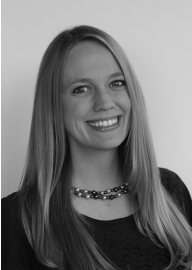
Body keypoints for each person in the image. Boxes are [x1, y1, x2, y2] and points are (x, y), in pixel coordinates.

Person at [1, 25, 192, 270]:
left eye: (117, 83)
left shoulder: (169, 191)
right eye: (81, 89)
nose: (105, 102)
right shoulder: (16, 220)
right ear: (53, 107)